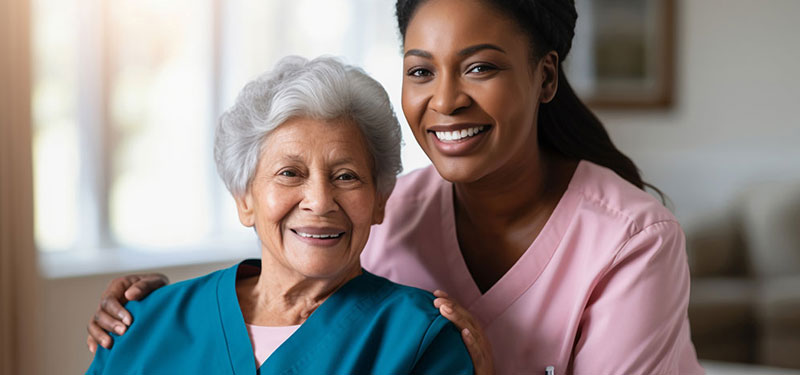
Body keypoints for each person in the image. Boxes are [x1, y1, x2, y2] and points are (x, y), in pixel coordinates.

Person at [87, 1, 705, 374]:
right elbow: (294, 271)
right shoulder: (391, 209)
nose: (446, 99)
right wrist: (162, 312)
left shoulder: (631, 239)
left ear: (545, 78)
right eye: (420, 70)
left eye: (480, 67)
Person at [86, 56, 474, 374]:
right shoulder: (142, 322)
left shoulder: (421, 340)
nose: (320, 201)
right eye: (290, 173)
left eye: (346, 176)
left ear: (379, 201)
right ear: (244, 198)